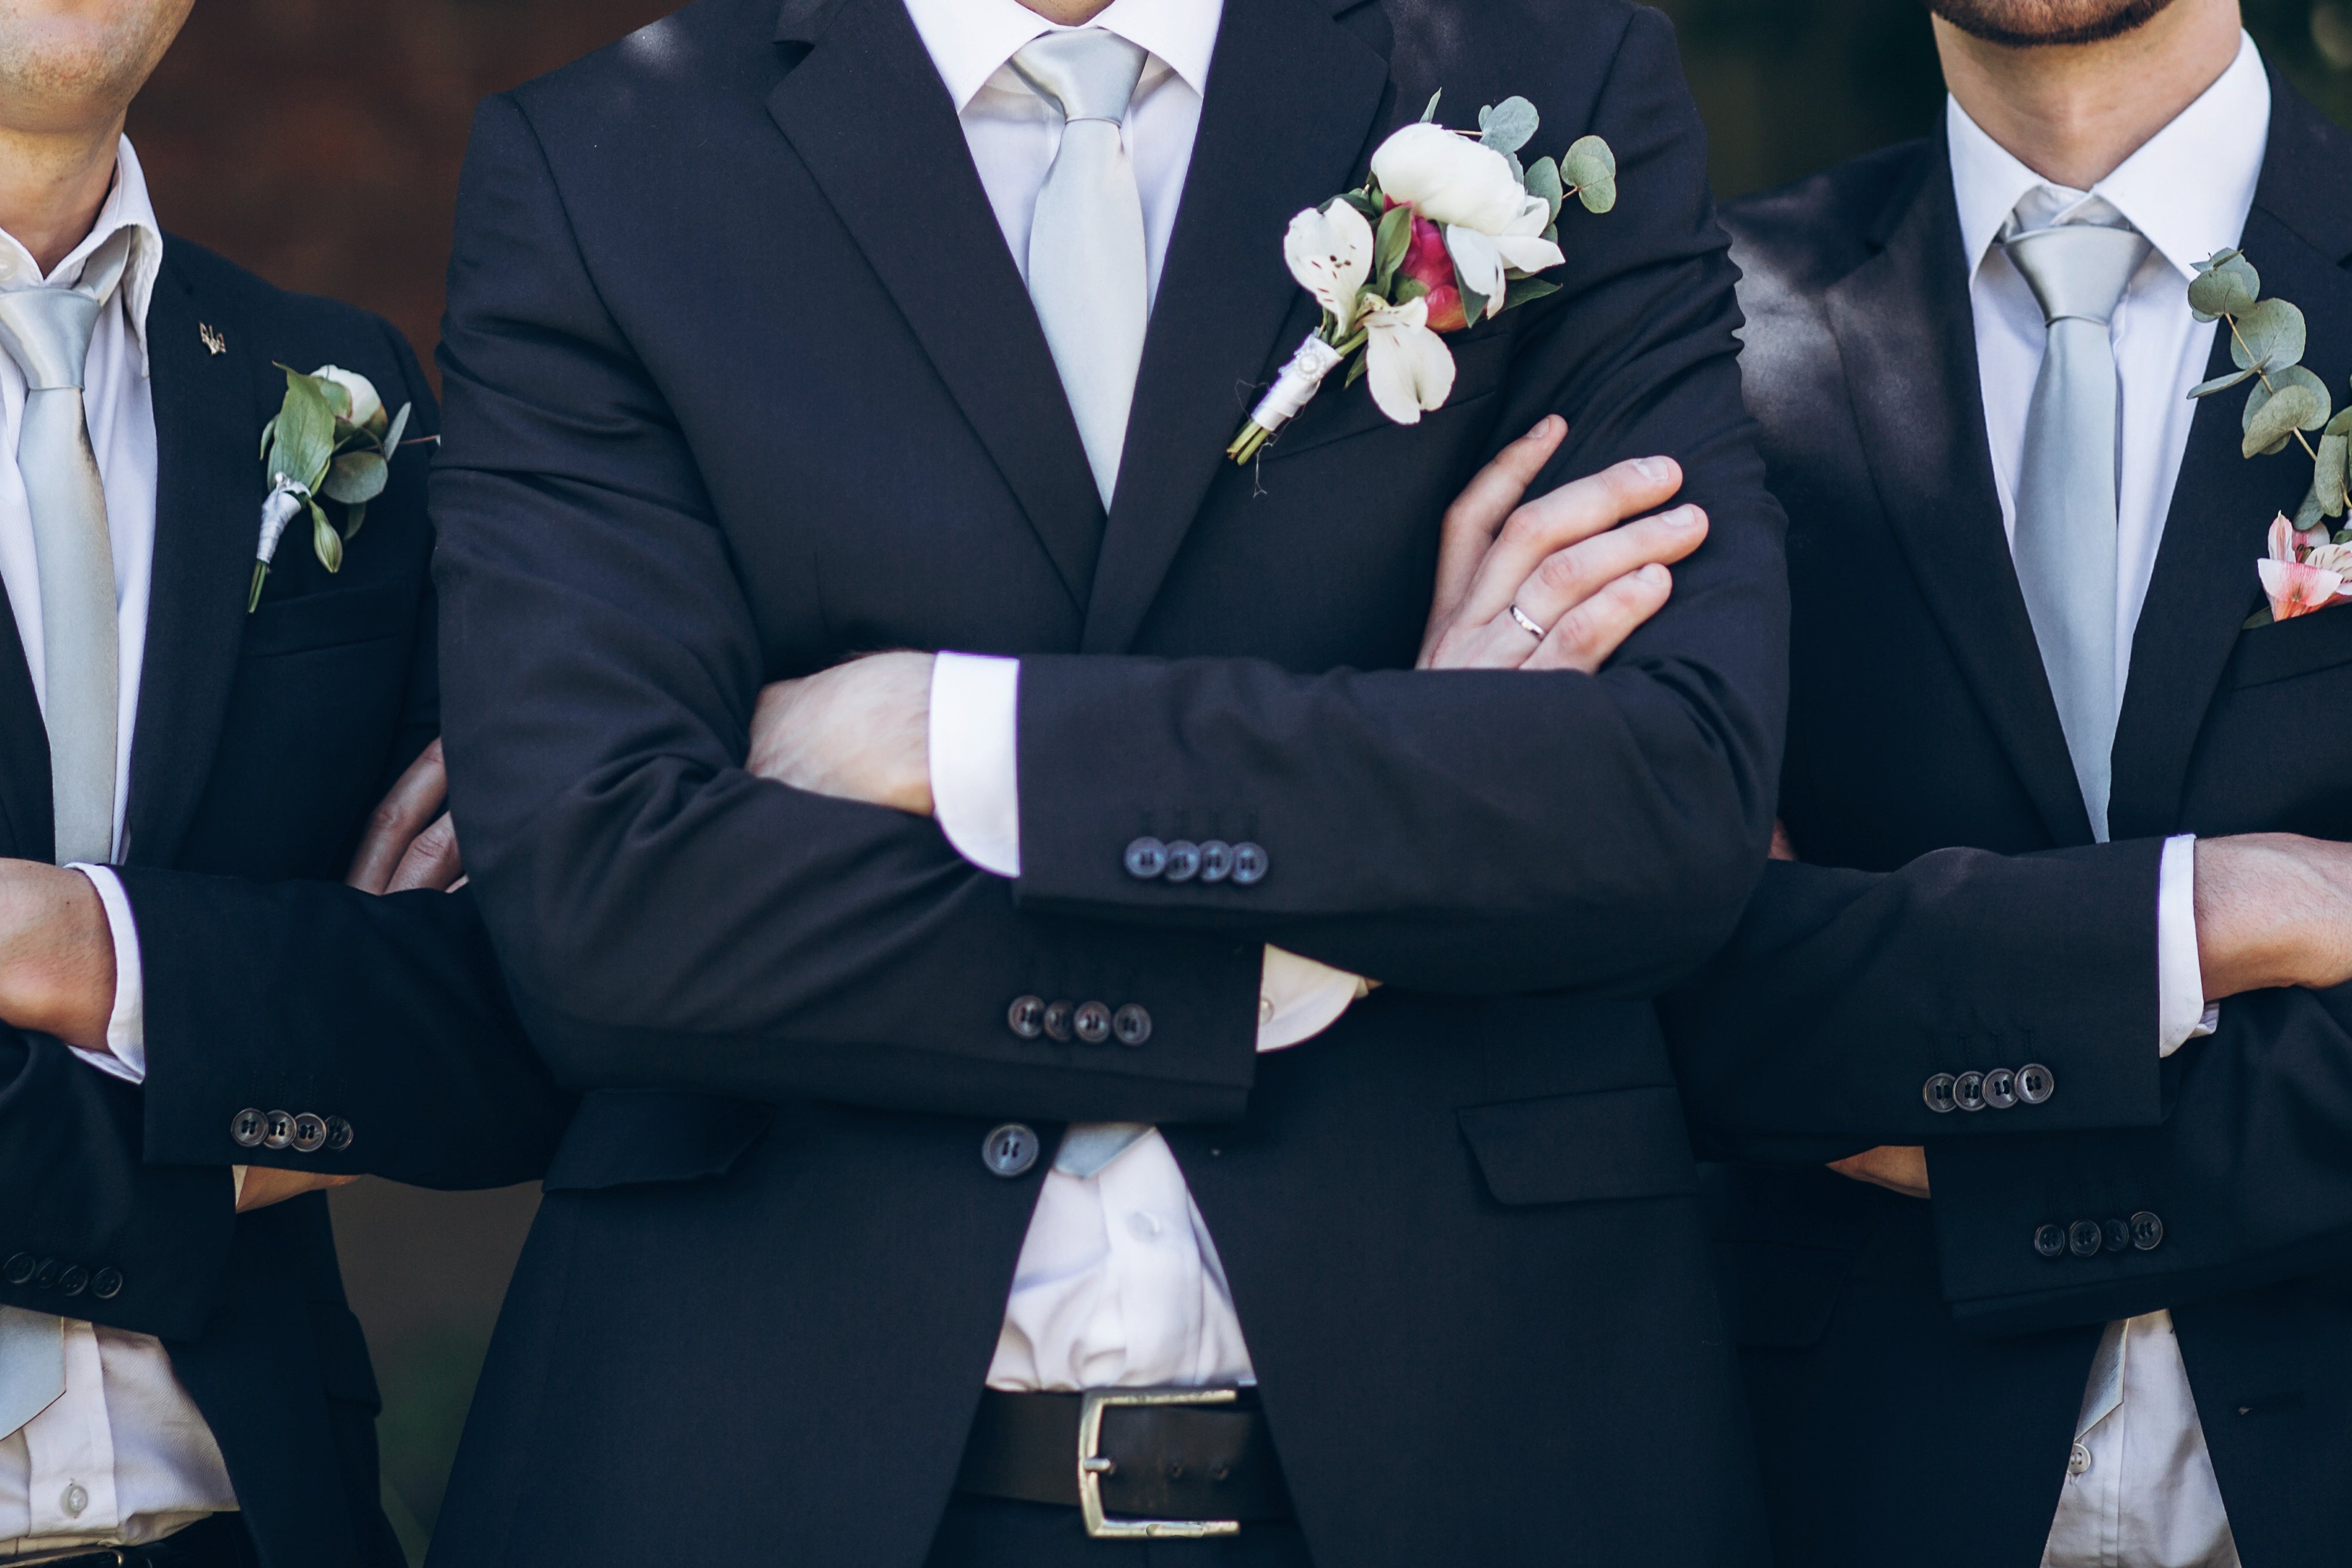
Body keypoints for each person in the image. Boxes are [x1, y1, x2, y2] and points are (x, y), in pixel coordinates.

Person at [421, 0, 1791, 1560]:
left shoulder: (1548, 74)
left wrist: (954, 737)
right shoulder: (608, 163)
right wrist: (1324, 904)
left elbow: (1672, 795)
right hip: (786, 1469)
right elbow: (608, 900)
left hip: (1481, 1453)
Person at [1595, 0, 2352, 1563]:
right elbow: (1678, 965)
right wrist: (2213, 908)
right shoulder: (1693, 335)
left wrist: (1962, 1143)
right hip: (1847, 1481)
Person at [0, 4, 572, 1564]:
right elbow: (373, 1035)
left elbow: (503, 1010)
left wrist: (80, 947)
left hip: (260, 1525)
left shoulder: (333, 387)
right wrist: (250, 1143)